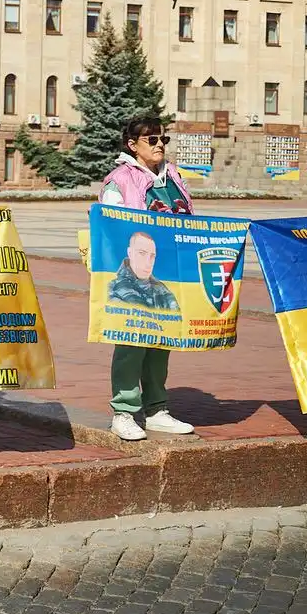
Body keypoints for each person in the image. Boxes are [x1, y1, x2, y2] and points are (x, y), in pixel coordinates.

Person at [98, 116, 195, 441]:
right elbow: (109, 228)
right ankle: (123, 413)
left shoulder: (174, 177)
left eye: (162, 139)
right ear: (132, 145)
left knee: (161, 342)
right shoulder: (119, 180)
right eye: (151, 139)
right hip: (131, 279)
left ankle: (156, 410)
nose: (158, 145)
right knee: (131, 344)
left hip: (167, 274)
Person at [106, 231, 180, 311]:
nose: (148, 263)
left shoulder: (163, 291)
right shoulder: (113, 289)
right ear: (130, 253)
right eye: (142, 253)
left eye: (152, 256)